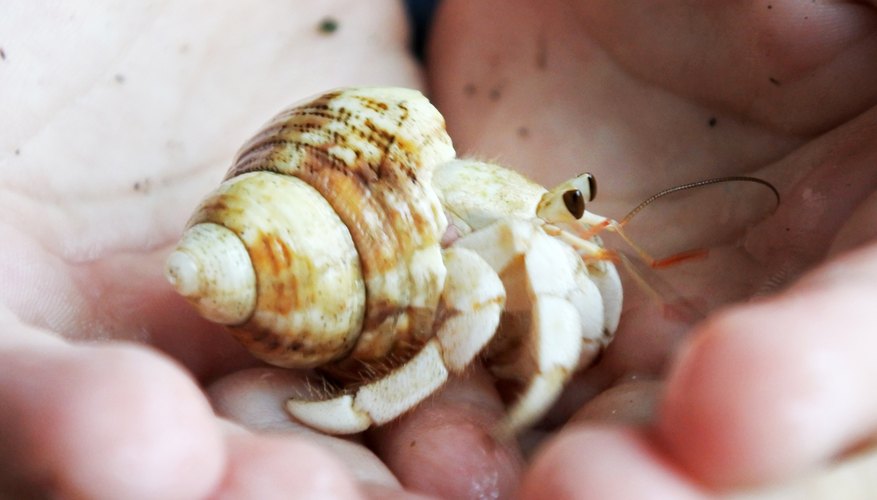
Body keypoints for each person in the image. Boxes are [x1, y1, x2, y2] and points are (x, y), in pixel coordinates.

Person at [1, 0, 875, 498]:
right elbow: (496, 270)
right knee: (495, 283)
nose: (565, 225)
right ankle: (374, 405)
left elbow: (523, 228)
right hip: (312, 222)